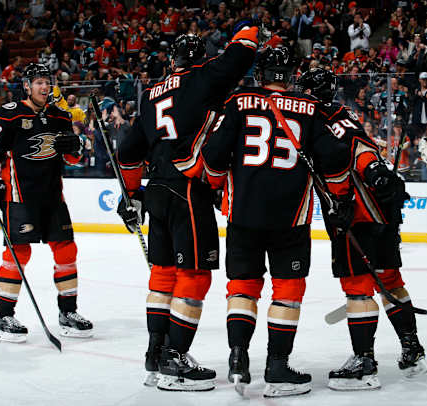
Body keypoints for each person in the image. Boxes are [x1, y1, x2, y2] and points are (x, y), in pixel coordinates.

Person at [116, 28, 259, 391]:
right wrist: (248, 30)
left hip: (157, 191)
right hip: (187, 190)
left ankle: (156, 354)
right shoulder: (201, 77)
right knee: (195, 276)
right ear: (199, 58)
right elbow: (242, 53)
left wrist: (131, 194)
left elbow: (129, 152)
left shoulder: (150, 94)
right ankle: (175, 360)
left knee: (163, 275)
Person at [201, 47, 348, 397]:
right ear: (290, 75)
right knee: (287, 290)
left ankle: (238, 358)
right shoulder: (309, 109)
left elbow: (213, 157)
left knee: (242, 286)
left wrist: (220, 186)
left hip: (243, 215)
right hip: (290, 219)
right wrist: (340, 196)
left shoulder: (238, 102)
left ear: (261, 73)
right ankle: (277, 367)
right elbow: (336, 160)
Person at [297, 68, 427, 390]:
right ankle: (412, 349)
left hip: (356, 215)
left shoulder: (315, 121)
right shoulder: (345, 114)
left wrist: (341, 200)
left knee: (357, 287)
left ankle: (364, 363)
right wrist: (376, 173)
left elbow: (344, 158)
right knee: (390, 279)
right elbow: (363, 151)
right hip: (381, 210)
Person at [0, 63, 93, 343]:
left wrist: (75, 146)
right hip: (19, 196)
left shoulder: (60, 116)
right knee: (18, 254)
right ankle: (3, 316)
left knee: (66, 251)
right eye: (38, 82)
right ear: (26, 86)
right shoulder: (10, 114)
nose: (44, 86)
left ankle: (68, 313)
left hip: (53, 196)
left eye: (47, 82)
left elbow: (73, 159)